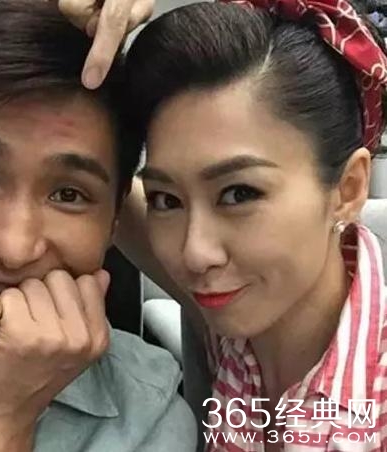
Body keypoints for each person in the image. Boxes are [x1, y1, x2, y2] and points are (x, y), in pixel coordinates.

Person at [0, 1, 197, 451]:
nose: (13, 248)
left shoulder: (149, 419)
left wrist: (2, 429)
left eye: (68, 195)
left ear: (115, 217)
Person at [121, 0, 387, 450]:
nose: (194, 255)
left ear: (348, 189)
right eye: (167, 200)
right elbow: (93, 184)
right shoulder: (237, 323)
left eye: (239, 194)